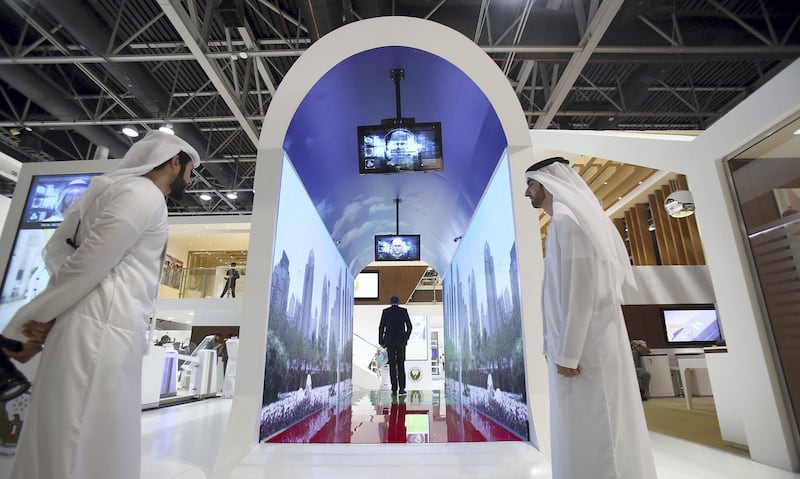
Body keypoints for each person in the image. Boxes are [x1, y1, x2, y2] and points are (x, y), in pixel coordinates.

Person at [0, 130, 200, 479]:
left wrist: (43, 319)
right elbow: (88, 263)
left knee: (80, 436)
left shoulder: (124, 194)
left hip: (98, 328)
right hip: (99, 333)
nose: (191, 179)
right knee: (77, 438)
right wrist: (30, 323)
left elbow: (66, 253)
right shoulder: (142, 195)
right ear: (173, 161)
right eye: (189, 170)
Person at [524, 157, 657, 479]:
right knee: (581, 425)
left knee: (599, 425)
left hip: (587, 350)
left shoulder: (569, 222)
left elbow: (580, 292)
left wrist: (568, 351)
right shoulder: (563, 222)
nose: (528, 193)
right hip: (577, 348)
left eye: (531, 185)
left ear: (546, 183)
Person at [378, 295, 412, 395]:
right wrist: (406, 338)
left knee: (392, 365)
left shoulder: (386, 312)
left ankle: (394, 389)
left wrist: (381, 341)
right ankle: (402, 389)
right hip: (401, 342)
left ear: (390, 302)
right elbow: (409, 326)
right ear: (398, 302)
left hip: (390, 342)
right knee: (401, 365)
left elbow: (381, 327)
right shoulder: (403, 311)